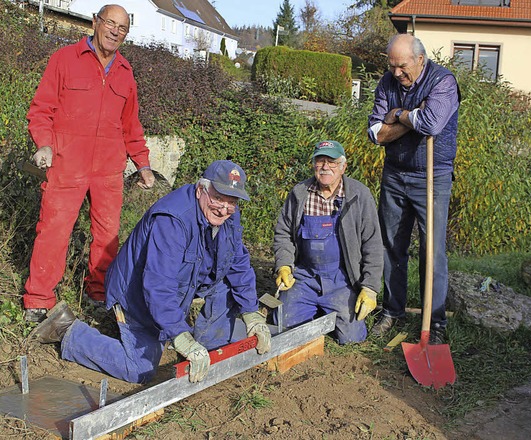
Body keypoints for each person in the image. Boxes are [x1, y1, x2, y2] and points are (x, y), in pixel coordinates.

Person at [31, 160, 271, 384]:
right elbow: (158, 284)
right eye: (219, 199)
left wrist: (250, 311)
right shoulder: (172, 221)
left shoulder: (229, 213)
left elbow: (237, 260)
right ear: (201, 190)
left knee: (226, 285)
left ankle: (209, 351)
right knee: (139, 369)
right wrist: (179, 334)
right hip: (138, 293)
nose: (224, 209)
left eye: (232, 201)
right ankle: (67, 330)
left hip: (184, 281)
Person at [24, 4, 156, 322]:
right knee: (53, 230)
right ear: (95, 22)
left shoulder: (125, 73)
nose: (115, 31)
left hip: (108, 169)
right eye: (110, 23)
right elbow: (41, 108)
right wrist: (43, 143)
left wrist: (142, 162)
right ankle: (38, 300)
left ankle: (99, 294)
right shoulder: (65, 59)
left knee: (108, 235)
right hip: (67, 163)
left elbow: (131, 126)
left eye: (122, 28)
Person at [367, 34, 461, 343]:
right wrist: (411, 118)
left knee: (432, 250)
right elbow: (376, 133)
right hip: (395, 174)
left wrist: (398, 115)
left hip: (432, 177)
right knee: (392, 246)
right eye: (391, 65)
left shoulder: (442, 82)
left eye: (402, 66)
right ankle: (393, 311)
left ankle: (434, 323)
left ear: (420, 59)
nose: (396, 73)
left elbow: (433, 123)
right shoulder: (387, 83)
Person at [273, 140, 383, 344]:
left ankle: (326, 311)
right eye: (320, 161)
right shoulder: (300, 193)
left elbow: (373, 244)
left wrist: (369, 288)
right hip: (305, 277)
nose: (325, 167)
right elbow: (283, 234)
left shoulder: (359, 195)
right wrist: (284, 266)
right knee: (282, 325)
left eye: (331, 161)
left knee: (352, 338)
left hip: (342, 280)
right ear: (313, 164)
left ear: (343, 166)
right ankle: (314, 310)